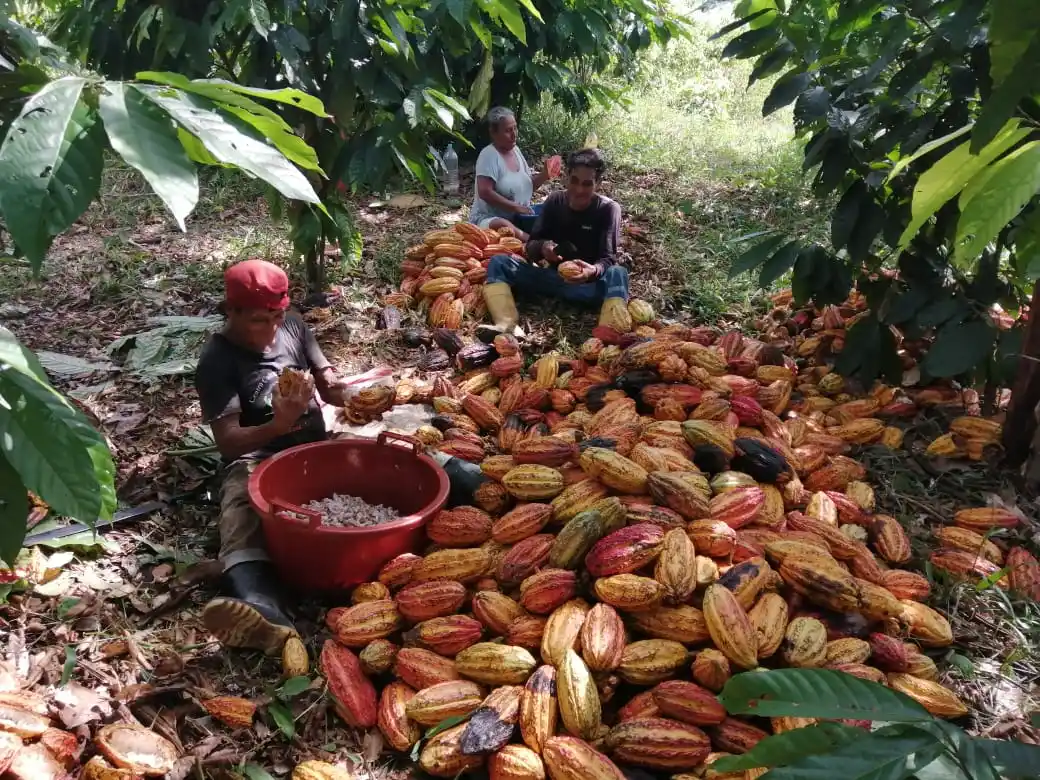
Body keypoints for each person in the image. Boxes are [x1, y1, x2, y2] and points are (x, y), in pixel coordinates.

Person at [194, 259, 352, 654]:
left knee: (380, 454)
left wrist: (350, 393)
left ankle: (465, 479)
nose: (272, 329)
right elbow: (229, 442)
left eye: (277, 317)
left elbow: (328, 385)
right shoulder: (217, 360)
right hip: (258, 458)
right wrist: (279, 424)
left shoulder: (294, 327)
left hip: (314, 448)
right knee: (241, 510)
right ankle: (262, 609)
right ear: (231, 312)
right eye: (259, 321)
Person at [481, 148, 629, 339]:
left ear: (598, 184)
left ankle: (609, 335)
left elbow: (608, 259)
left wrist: (592, 271)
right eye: (574, 181)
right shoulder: (555, 201)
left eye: (587, 184)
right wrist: (543, 248)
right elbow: (531, 245)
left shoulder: (608, 209)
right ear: (566, 177)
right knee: (499, 262)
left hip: (588, 288)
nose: (579, 190)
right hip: (552, 280)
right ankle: (506, 325)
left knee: (618, 273)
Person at [469, 106, 562, 239]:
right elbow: (485, 192)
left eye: (515, 128)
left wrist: (544, 174)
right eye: (508, 130)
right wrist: (515, 207)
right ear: (493, 133)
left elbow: (527, 187)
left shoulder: (516, 151)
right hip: (489, 220)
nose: (514, 134)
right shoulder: (488, 155)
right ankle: (531, 241)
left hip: (518, 218)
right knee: (503, 225)